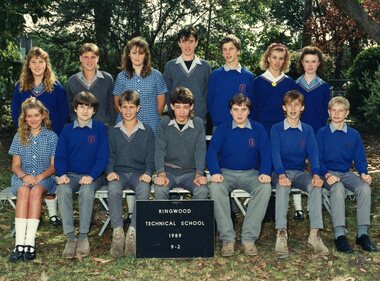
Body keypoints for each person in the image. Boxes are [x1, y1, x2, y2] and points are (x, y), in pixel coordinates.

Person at [207, 93, 272, 257]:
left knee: (265, 188)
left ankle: (248, 239)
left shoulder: (258, 129)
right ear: (230, 111)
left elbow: (266, 153)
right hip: (226, 173)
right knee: (215, 187)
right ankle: (227, 239)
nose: (239, 113)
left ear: (249, 111)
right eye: (236, 109)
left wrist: (265, 172)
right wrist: (215, 172)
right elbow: (211, 153)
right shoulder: (222, 129)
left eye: (243, 109)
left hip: (251, 174)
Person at [11, 47, 69, 227]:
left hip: (52, 137)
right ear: (28, 64)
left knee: (48, 170)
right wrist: (27, 131)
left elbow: (63, 112)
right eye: (33, 62)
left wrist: (51, 134)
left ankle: (53, 214)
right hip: (28, 136)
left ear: (46, 64)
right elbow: (15, 113)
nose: (37, 65)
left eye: (41, 62)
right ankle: (34, 215)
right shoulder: (21, 87)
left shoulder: (56, 86)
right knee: (31, 169)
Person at [270, 90, 329, 257]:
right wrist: (281, 174)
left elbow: (313, 154)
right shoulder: (276, 129)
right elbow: (275, 154)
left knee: (315, 186)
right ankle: (281, 234)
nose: (293, 108)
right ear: (284, 107)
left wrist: (316, 174)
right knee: (282, 188)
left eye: (297, 105)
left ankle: (314, 235)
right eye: (290, 104)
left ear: (302, 108)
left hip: (299, 171)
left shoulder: (308, 130)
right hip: (280, 172)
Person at [317, 96, 377, 253]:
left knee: (364, 188)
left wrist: (364, 173)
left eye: (340, 110)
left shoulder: (353, 134)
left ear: (347, 113)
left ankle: (362, 234)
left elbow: (360, 159)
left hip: (345, 173)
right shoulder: (322, 133)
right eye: (333, 110)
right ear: (329, 112)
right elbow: (316, 160)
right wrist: (327, 174)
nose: (336, 114)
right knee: (337, 188)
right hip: (326, 174)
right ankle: (340, 236)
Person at [55, 92, 109, 259]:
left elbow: (103, 156)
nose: (85, 110)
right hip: (71, 174)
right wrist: (62, 174)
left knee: (86, 191)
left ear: (94, 111)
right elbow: (60, 156)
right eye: (81, 107)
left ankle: (84, 236)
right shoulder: (67, 129)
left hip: (94, 176)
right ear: (75, 109)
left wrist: (92, 175)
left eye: (89, 107)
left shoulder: (99, 128)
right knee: (63, 190)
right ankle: (71, 238)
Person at [252, 43, 300, 222]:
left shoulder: (289, 83)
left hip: (281, 129)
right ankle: (264, 207)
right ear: (268, 58)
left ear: (285, 61)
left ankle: (277, 207)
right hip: (262, 127)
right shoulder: (257, 82)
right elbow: (254, 108)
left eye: (281, 58)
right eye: (274, 57)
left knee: (279, 163)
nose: (277, 61)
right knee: (264, 164)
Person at [8, 98, 58, 262]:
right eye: (29, 116)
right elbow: (15, 166)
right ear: (25, 118)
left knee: (36, 191)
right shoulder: (19, 136)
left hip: (45, 178)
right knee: (23, 190)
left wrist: (38, 178)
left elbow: (53, 166)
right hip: (22, 177)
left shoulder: (51, 137)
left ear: (43, 116)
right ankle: (19, 244)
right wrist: (24, 176)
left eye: (36, 115)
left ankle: (30, 243)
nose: (33, 119)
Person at [107, 90, 155, 258]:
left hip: (138, 173)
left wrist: (148, 172)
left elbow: (151, 156)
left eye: (132, 107)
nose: (128, 111)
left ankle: (133, 233)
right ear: (119, 108)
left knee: (143, 189)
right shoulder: (113, 131)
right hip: (118, 173)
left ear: (138, 108)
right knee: (113, 189)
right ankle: (118, 232)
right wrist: (110, 171)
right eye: (124, 107)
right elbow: (109, 156)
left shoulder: (147, 131)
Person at [153, 87, 208, 200]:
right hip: (169, 172)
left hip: (190, 173)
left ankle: (195, 218)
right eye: (178, 107)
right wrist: (161, 173)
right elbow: (159, 150)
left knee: (202, 190)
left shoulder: (198, 124)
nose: (181, 111)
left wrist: (199, 174)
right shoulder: (164, 123)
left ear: (191, 107)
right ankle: (164, 218)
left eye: (185, 107)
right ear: (172, 106)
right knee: (160, 189)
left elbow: (200, 151)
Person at [113, 37, 167, 135]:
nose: (137, 57)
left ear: (146, 55)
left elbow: (161, 104)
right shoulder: (121, 77)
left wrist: (151, 117)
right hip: (126, 125)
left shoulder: (156, 75)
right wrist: (128, 117)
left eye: (141, 53)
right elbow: (117, 103)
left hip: (151, 124)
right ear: (129, 54)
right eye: (134, 53)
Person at [163, 25, 211, 123]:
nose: (187, 45)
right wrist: (172, 114)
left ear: (196, 43)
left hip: (199, 119)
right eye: (184, 41)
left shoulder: (205, 66)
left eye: (191, 41)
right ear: (179, 43)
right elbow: (167, 94)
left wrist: (203, 112)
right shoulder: (170, 66)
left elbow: (208, 94)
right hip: (176, 120)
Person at [207, 34, 255, 129]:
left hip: (242, 125)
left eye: (231, 49)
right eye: (225, 49)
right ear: (222, 52)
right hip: (219, 125)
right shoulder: (215, 75)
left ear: (238, 51)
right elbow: (209, 101)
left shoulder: (248, 76)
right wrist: (216, 119)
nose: (228, 52)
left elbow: (252, 102)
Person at [66, 43, 116, 127]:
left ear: (98, 58)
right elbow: (70, 110)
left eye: (93, 57)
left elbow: (112, 107)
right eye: (86, 57)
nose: (90, 60)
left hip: (104, 129)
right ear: (80, 58)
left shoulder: (107, 79)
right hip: (81, 130)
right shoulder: (72, 81)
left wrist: (112, 128)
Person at [295, 46, 330, 133]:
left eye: (313, 61)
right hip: (297, 131)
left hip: (318, 131)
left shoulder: (324, 86)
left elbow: (326, 110)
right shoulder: (294, 85)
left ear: (319, 63)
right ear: (302, 63)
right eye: (307, 61)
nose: (310, 65)